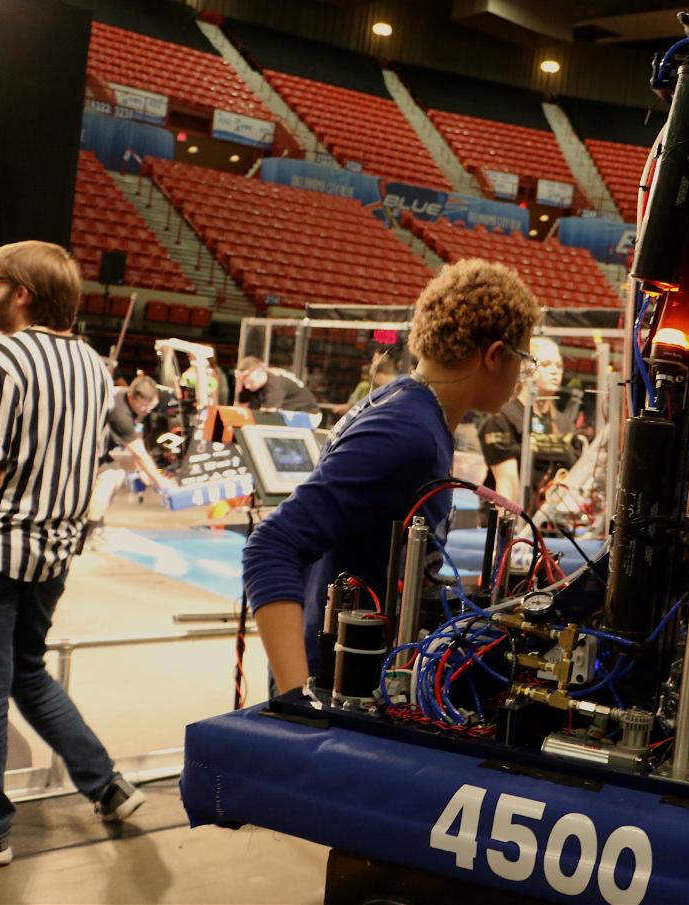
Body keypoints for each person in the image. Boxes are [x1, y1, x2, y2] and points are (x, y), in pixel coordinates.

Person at [242, 260, 540, 693]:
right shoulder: (407, 433)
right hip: (333, 686)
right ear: (495, 355)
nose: (522, 377)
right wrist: (295, 700)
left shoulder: (406, 404)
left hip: (346, 669)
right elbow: (270, 547)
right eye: (524, 362)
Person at [0, 243, 145, 870]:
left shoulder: (3, 361)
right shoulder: (93, 365)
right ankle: (106, 784)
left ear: (19, 293)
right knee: (28, 673)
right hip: (56, 553)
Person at [479, 336, 582, 511]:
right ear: (526, 368)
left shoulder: (564, 424)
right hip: (517, 521)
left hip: (554, 525)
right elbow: (507, 483)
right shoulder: (503, 418)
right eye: (547, 364)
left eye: (558, 365)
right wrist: (509, 532)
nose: (555, 371)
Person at [105, 374, 176, 492]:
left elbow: (138, 437)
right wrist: (158, 480)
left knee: (116, 476)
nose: (146, 411)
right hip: (84, 443)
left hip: (100, 445)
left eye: (150, 408)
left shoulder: (136, 405)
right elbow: (137, 451)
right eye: (143, 407)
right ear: (132, 397)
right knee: (111, 478)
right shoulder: (121, 414)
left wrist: (142, 470)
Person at [233, 356, 321, 415]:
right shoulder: (252, 384)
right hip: (287, 411)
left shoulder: (275, 382)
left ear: (260, 372)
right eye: (244, 382)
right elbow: (239, 409)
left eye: (250, 382)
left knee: (268, 420)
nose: (247, 386)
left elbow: (267, 416)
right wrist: (240, 384)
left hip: (308, 413)